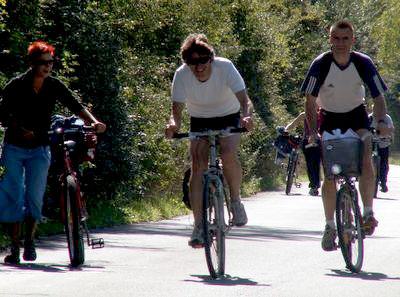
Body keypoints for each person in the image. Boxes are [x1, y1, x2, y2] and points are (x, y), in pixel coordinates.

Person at [0, 41, 106, 264]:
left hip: (40, 147)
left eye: (51, 62)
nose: (48, 67)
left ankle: (29, 241)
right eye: (43, 63)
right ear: (32, 63)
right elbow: (2, 114)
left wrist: (94, 122)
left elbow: (76, 105)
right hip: (14, 148)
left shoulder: (54, 85)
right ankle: (15, 248)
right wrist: (20, 128)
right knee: (14, 196)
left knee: (35, 197)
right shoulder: (15, 85)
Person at [301, 20, 390, 251]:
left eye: (345, 38)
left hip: (356, 115)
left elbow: (378, 97)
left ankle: (368, 213)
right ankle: (330, 226)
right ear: (330, 39)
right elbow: (309, 101)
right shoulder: (320, 64)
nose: (340, 43)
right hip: (328, 117)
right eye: (336, 38)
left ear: (353, 40)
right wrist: (312, 133)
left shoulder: (363, 62)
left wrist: (380, 121)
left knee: (366, 152)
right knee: (330, 173)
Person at [165, 33, 253, 248]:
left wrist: (247, 117)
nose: (199, 66)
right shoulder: (182, 74)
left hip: (229, 114)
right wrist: (173, 125)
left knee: (228, 152)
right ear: (186, 62)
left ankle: (235, 201)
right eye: (192, 62)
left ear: (211, 58)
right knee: (197, 165)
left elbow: (245, 101)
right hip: (200, 119)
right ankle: (198, 226)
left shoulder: (225, 67)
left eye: (203, 60)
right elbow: (175, 112)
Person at [285, 111, 321, 196]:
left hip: (316, 140)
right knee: (311, 163)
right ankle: (314, 185)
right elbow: (292, 124)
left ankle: (314, 185)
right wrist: (285, 129)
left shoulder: (320, 114)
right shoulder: (305, 114)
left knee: (313, 163)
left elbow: (292, 125)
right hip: (308, 141)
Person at [369, 112, 395, 192]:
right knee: (368, 160)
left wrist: (390, 137)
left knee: (384, 162)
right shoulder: (369, 117)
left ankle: (383, 181)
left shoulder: (387, 118)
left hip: (384, 143)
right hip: (372, 143)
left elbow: (391, 129)